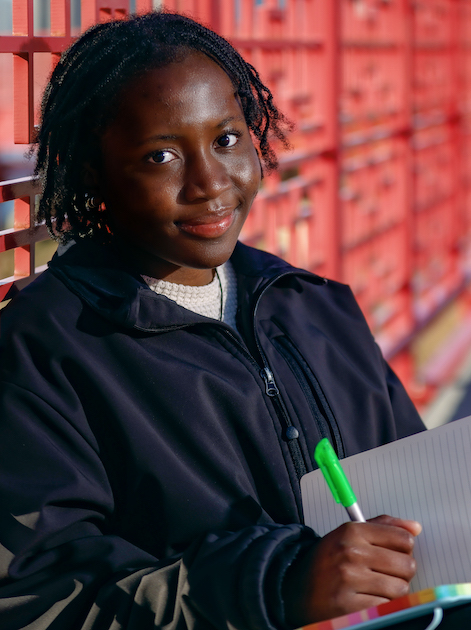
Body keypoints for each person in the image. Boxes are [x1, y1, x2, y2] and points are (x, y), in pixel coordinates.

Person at [0, 11, 430, 630]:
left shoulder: (313, 304)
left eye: (226, 140)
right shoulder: (44, 350)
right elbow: (41, 599)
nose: (209, 183)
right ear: (94, 171)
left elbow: (424, 498)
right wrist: (281, 585)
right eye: (161, 156)